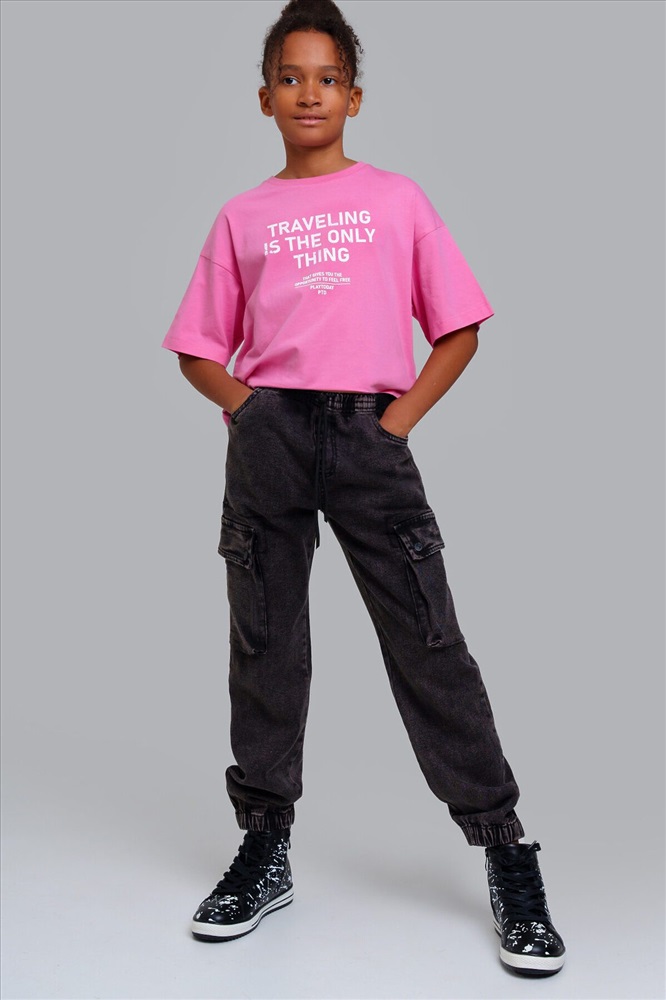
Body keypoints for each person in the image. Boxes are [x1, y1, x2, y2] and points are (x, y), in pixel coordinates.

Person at [162, 0, 565, 978]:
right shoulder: (243, 215)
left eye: (328, 77)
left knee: (428, 642)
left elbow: (458, 328)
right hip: (270, 439)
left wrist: (394, 423)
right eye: (290, 77)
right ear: (265, 97)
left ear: (354, 95)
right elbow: (198, 347)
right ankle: (264, 846)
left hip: (368, 436)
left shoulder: (396, 200)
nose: (309, 93)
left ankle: (506, 850)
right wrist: (251, 410)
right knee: (266, 642)